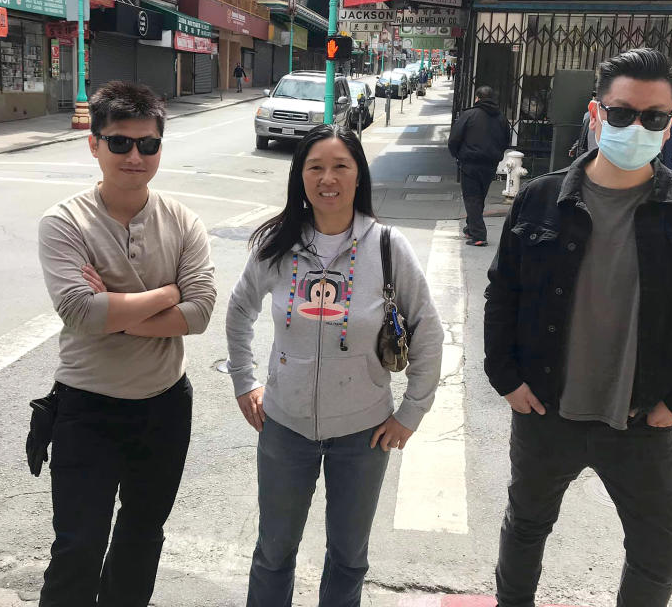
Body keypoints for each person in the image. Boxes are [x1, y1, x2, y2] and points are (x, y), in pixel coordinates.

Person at [484, 48, 672, 607]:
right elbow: (503, 292)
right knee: (526, 528)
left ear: (670, 125)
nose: (635, 126)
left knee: (661, 545)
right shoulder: (540, 199)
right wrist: (505, 377)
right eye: (622, 113)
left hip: (642, 417)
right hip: (547, 411)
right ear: (597, 115)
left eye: (652, 117)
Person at [226, 125, 443, 607]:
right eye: (315, 167)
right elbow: (240, 310)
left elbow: (427, 327)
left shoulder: (387, 246)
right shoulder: (276, 245)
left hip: (364, 434)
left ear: (358, 175)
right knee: (274, 552)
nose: (328, 178)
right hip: (284, 427)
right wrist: (245, 382)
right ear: (299, 176)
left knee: (348, 557)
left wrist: (411, 412)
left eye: (341, 166)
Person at [36, 81, 217, 607]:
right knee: (78, 546)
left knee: (142, 537)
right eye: (119, 143)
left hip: (164, 407)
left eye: (147, 144)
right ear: (93, 145)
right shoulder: (64, 223)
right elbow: (78, 311)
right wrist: (166, 293)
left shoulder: (183, 222)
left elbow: (201, 312)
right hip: (85, 408)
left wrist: (115, 313)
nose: (134, 156)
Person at [447, 86, 511, 247]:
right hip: (490, 164)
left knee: (471, 198)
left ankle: (478, 234)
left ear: (477, 98)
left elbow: (454, 138)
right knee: (479, 197)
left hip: (470, 162)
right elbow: (505, 141)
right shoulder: (501, 118)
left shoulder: (469, 115)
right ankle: (471, 227)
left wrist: (457, 154)